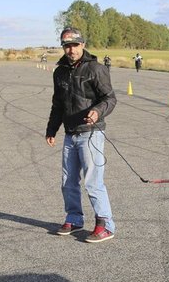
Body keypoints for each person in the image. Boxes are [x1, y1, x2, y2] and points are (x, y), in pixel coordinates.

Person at [45, 27, 117, 243]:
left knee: (93, 181)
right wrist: (51, 129)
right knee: (68, 182)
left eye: (75, 45)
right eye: (67, 46)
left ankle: (106, 224)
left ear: (83, 45)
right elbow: (57, 104)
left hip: (91, 133)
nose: (71, 50)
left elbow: (109, 98)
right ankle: (74, 218)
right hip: (70, 133)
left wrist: (97, 111)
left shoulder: (95, 69)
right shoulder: (59, 71)